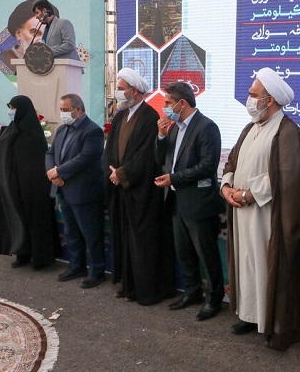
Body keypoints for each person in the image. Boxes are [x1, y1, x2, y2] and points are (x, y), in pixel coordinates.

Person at [221, 67, 300, 350]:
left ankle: (269, 321)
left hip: (266, 216)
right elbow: (232, 162)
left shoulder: (287, 131)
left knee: (265, 266)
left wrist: (247, 195)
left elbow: (286, 177)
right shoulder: (250, 128)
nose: (249, 99)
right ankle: (249, 316)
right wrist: (226, 187)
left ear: (269, 99)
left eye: (253, 94)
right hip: (241, 212)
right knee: (247, 265)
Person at [103, 68, 174, 305]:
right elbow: (110, 150)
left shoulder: (149, 117)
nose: (118, 92)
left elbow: (146, 156)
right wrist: (112, 172)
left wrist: (122, 174)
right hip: (121, 189)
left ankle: (146, 291)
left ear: (134, 91)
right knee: (123, 239)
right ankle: (127, 285)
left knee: (142, 242)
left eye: (121, 89)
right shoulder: (121, 116)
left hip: (141, 192)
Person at [155, 82, 225, 321]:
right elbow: (163, 159)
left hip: (198, 202)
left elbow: (207, 166)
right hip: (177, 200)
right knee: (184, 252)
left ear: (181, 103)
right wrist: (161, 136)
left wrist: (174, 178)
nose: (165, 107)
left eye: (168, 103)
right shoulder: (174, 128)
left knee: (207, 255)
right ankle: (192, 292)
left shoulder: (206, 127)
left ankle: (214, 299)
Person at [45, 94, 106, 289]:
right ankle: (76, 266)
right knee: (71, 232)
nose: (62, 113)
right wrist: (52, 172)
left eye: (65, 110)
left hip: (85, 192)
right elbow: (51, 153)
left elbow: (85, 158)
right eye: (61, 109)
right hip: (64, 189)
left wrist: (59, 171)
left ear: (78, 110)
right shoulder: (62, 129)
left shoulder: (93, 131)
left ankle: (96, 272)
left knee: (91, 234)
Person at [0, 95, 58, 269]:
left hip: (34, 186)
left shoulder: (33, 134)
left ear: (22, 110)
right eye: (10, 108)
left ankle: (40, 258)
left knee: (36, 220)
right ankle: (22, 254)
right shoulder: (11, 129)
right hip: (15, 183)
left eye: (13, 108)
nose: (11, 111)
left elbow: (37, 162)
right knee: (18, 217)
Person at [1, 0, 52, 73]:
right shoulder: (5, 60)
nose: (41, 40)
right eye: (35, 33)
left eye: (47, 34)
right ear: (18, 34)